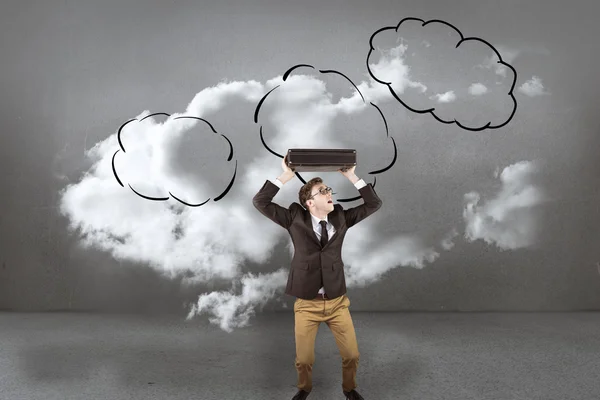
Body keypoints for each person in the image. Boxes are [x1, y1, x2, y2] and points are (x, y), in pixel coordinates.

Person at [252, 153, 383, 400]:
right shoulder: (294, 217)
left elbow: (373, 204)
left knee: (352, 355)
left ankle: (349, 389)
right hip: (307, 304)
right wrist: (286, 176)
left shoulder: (341, 217)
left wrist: (353, 176)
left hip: (337, 302)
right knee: (304, 360)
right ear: (309, 202)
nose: (329, 193)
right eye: (322, 191)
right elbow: (260, 201)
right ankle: (304, 389)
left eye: (328, 189)